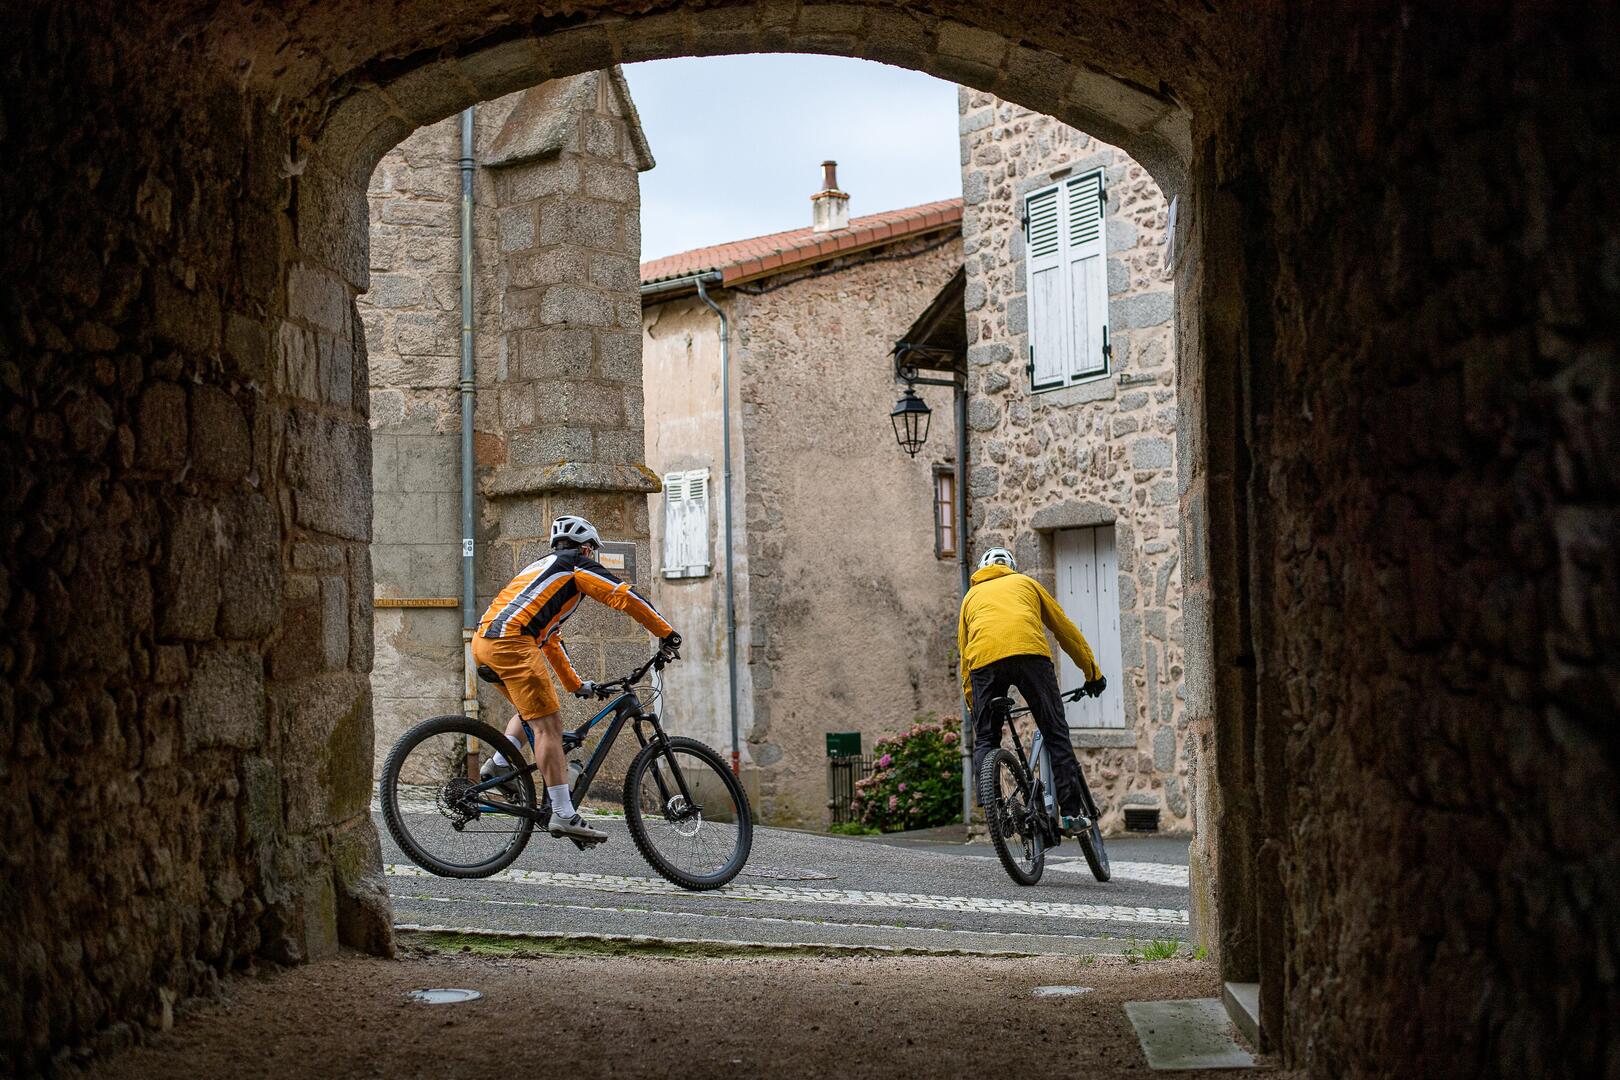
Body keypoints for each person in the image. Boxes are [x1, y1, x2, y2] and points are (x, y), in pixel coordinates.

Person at [473, 514, 680, 842]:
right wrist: (667, 634)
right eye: (592, 553)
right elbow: (623, 596)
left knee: (531, 712)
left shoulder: (540, 569)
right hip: (512, 641)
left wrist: (576, 685)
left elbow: (551, 638)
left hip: (484, 643)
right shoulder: (574, 565)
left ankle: (499, 765)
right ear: (586, 549)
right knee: (549, 728)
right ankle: (563, 813)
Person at [958, 546, 1106, 832]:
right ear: (1011, 567)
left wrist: (973, 704)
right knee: (1054, 732)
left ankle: (995, 810)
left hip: (984, 664)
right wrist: (1092, 672)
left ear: (981, 570)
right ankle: (1072, 814)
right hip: (1030, 657)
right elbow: (1064, 629)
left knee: (986, 739)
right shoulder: (1026, 583)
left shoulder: (970, 597)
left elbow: (965, 655)